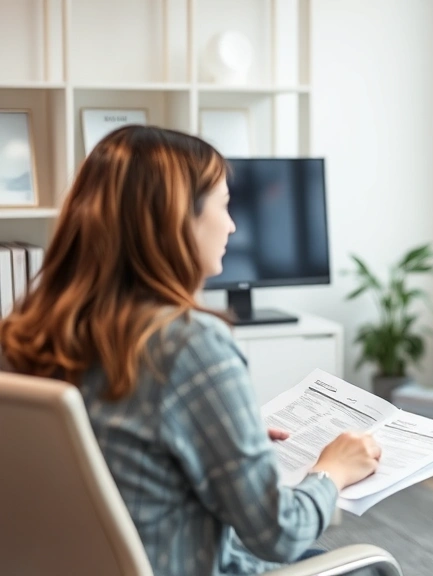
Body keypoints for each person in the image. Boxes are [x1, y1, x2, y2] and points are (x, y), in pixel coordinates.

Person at [0, 125, 382, 575]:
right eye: (224, 204)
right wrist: (333, 470)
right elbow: (278, 533)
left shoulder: (23, 333)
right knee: (367, 567)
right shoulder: (190, 345)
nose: (232, 224)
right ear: (178, 219)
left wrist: (218, 439)